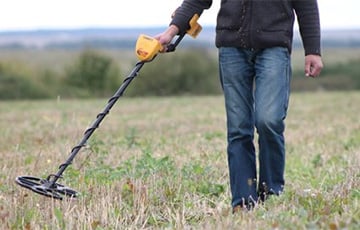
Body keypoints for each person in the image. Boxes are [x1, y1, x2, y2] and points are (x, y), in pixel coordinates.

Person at [155, 0, 323, 211]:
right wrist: (170, 32)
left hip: (273, 46)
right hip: (232, 47)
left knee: (268, 120)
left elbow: (306, 4)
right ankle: (243, 202)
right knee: (238, 127)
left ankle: (271, 193)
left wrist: (313, 50)